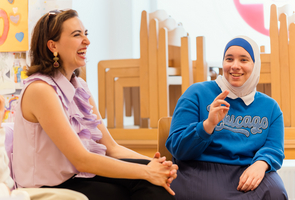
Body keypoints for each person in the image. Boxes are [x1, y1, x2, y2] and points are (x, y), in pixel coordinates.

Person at [12, 9, 178, 200]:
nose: (87, 41)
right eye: (77, 35)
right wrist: (147, 171)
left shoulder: (80, 86)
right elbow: (81, 160)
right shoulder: (40, 90)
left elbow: (111, 148)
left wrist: (157, 166)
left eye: (86, 34)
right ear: (53, 46)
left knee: (153, 181)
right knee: (135, 185)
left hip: (77, 176)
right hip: (47, 187)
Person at [166, 36, 288, 199]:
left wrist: (262, 163)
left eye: (244, 60)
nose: (235, 66)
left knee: (275, 192)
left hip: (247, 169)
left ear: (255, 65)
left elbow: (274, 148)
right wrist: (207, 125)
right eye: (229, 59)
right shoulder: (196, 93)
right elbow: (177, 147)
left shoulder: (270, 107)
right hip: (199, 168)